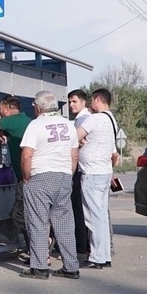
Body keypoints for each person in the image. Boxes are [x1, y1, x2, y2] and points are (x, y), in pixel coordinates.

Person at [19, 91, 80, 279]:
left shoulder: (36, 125)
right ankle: (71, 267)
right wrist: (69, 174)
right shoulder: (68, 125)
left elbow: (27, 154)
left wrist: (26, 178)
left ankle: (39, 268)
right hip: (63, 176)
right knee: (64, 224)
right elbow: (74, 155)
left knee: (37, 222)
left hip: (41, 176)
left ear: (38, 107)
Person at [0, 96, 31, 256]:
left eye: (1, 109)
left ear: (8, 108)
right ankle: (39, 246)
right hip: (31, 174)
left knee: (19, 215)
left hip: (25, 177)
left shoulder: (13, 120)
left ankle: (39, 247)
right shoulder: (25, 120)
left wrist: (0, 126)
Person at [77, 88, 117, 269]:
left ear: (98, 99)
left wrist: (81, 141)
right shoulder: (111, 120)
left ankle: (96, 257)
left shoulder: (94, 119)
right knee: (101, 215)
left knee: (93, 217)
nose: (91, 104)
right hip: (104, 172)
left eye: (93, 100)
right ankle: (104, 255)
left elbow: (74, 136)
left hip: (91, 173)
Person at [68, 89, 91, 255]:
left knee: (79, 209)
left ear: (83, 102)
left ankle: (81, 245)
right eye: (69, 101)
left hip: (81, 168)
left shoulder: (83, 119)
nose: (71, 105)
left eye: (74, 101)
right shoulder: (80, 119)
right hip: (84, 168)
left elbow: (75, 141)